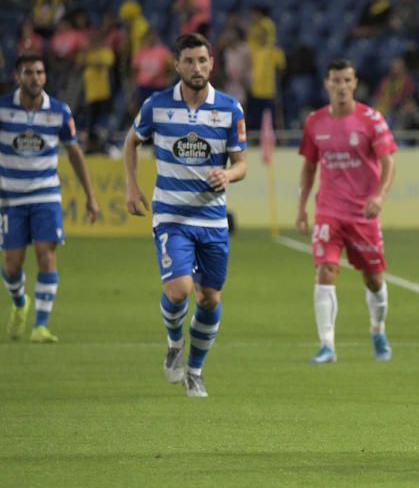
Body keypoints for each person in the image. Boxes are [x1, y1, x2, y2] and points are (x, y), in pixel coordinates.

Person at [124, 33, 248, 398]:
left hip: (212, 219)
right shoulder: (156, 106)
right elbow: (131, 142)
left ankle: (194, 370)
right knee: (178, 291)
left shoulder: (230, 108)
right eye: (189, 61)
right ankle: (174, 341)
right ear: (176, 65)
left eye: (203, 60)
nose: (197, 67)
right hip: (171, 216)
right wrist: (132, 187)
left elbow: (241, 163)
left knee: (210, 299)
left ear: (212, 63)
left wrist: (227, 174)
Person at [296, 59, 397, 364]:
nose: (341, 86)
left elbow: (389, 162)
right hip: (328, 210)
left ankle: (377, 330)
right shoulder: (315, 122)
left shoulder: (371, 119)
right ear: (327, 84)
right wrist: (301, 207)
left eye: (347, 80)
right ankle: (327, 345)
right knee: (325, 270)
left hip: (363, 214)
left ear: (354, 84)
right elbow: (309, 167)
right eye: (336, 80)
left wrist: (379, 196)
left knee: (374, 279)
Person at [2, 53, 101, 343]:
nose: (35, 78)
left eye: (40, 72)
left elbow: (74, 153)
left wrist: (90, 196)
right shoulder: (3, 109)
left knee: (47, 255)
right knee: (11, 265)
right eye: (29, 72)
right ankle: (20, 303)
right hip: (10, 197)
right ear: (18, 76)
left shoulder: (59, 111)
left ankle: (40, 326)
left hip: (46, 194)